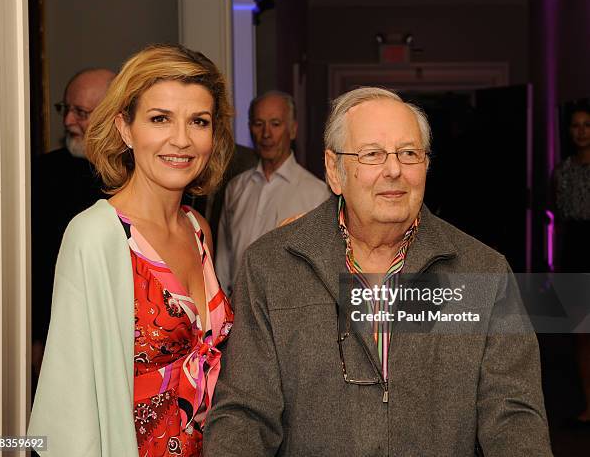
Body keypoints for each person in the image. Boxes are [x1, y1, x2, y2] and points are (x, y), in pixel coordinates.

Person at [204, 87, 552, 456]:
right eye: (372, 154)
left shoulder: (482, 272)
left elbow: (514, 416)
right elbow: (244, 415)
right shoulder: (272, 266)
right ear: (334, 171)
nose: (394, 170)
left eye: (409, 153)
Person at [28, 44, 235, 456]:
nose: (181, 139)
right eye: (160, 119)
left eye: (199, 121)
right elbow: (69, 406)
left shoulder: (199, 230)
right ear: (125, 128)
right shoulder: (95, 236)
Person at [31, 68, 115, 379]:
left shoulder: (138, 179)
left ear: (112, 116)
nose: (67, 121)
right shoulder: (40, 173)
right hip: (55, 337)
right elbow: (36, 264)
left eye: (80, 112)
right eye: (65, 109)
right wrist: (36, 337)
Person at [215, 91, 330, 294]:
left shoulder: (317, 194)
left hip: (287, 314)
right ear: (250, 128)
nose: (266, 134)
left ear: (293, 130)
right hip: (236, 312)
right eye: (259, 124)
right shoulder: (235, 188)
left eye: (275, 124)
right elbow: (223, 265)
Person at [553, 100, 590, 427]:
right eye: (575, 125)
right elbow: (561, 214)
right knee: (581, 332)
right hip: (576, 250)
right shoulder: (562, 170)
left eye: (586, 125)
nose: (580, 131)